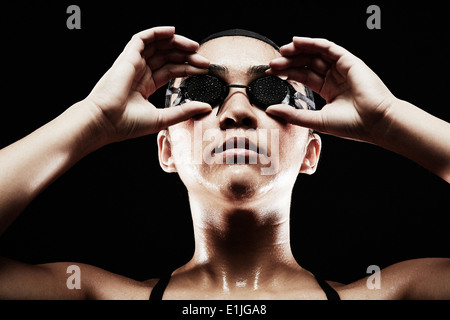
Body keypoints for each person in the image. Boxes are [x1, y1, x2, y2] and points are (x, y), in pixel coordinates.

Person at [0, 26, 448, 300]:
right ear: (167, 151)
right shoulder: (91, 294)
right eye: (204, 92)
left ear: (312, 152)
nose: (237, 112)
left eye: (270, 93)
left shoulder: (396, 293)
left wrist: (389, 119)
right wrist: (92, 119)